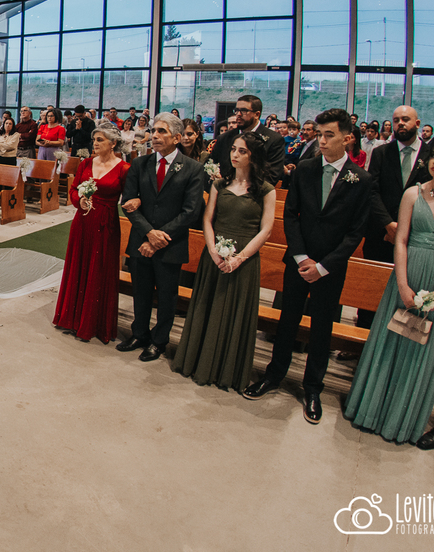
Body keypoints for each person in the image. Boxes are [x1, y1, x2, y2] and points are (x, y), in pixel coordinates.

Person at [243, 109, 374, 425]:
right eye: (320, 134)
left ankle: (313, 387)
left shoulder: (361, 179)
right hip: (300, 262)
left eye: (330, 135)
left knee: (321, 328)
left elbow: (356, 231)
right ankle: (274, 375)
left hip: (331, 267)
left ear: (347, 137)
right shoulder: (305, 169)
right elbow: (291, 215)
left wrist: (325, 265)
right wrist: (302, 258)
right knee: (287, 321)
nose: (323, 140)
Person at [345, 131, 434, 444]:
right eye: (433, 155)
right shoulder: (413, 194)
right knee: (391, 343)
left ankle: (403, 420)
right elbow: (400, 239)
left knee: (422, 354)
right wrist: (402, 284)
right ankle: (371, 410)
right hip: (407, 275)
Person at [171, 133, 275, 390]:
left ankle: (225, 370)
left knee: (234, 312)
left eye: (242, 151)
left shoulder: (265, 189)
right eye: (233, 149)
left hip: (244, 259)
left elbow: (266, 230)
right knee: (208, 306)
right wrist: (213, 250)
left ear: (253, 156)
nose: (235, 155)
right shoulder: (219, 184)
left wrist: (239, 258)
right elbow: (208, 218)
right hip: (215, 255)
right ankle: (197, 362)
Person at [116, 113, 206, 361]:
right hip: (141, 241)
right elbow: (128, 204)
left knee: (166, 295)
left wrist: (159, 237)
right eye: (154, 130)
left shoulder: (193, 169)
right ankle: (139, 334)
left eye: (162, 131)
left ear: (177, 137)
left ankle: (159, 340)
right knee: (141, 291)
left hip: (170, 244)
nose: (154, 135)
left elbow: (191, 211)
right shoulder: (139, 164)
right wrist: (148, 233)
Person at [350, 105, 433, 350]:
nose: (400, 124)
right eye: (396, 120)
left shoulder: (431, 155)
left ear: (417, 123)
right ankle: (360, 345)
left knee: (406, 288)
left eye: (405, 120)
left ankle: (395, 346)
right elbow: (372, 191)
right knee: (371, 288)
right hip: (380, 231)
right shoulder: (382, 152)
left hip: (416, 235)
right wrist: (388, 224)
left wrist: (406, 228)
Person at [53, 122, 130, 343]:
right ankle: (71, 318)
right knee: (79, 265)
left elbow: (129, 197)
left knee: (99, 268)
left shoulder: (124, 169)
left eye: (100, 140)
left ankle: (93, 322)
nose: (94, 144)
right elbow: (73, 189)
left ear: (113, 143)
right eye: (94, 140)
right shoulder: (86, 163)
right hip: (83, 222)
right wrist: (79, 201)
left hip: (106, 224)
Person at [209, 95, 286, 186]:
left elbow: (272, 176)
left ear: (257, 114)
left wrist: (240, 188)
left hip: (255, 194)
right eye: (237, 110)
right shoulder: (224, 138)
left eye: (244, 111)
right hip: (224, 190)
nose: (238, 114)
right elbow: (212, 164)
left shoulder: (273, 139)